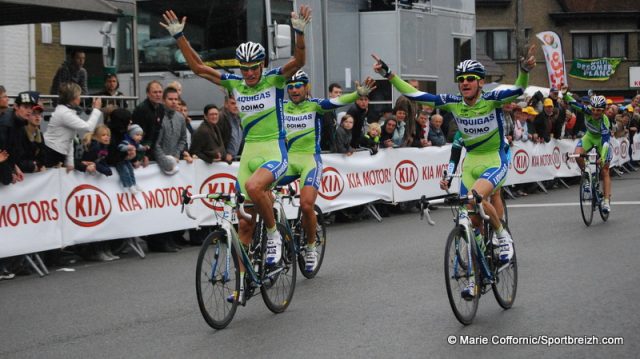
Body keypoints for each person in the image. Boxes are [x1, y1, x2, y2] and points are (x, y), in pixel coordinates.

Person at [161, 6, 311, 301]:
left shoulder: (274, 80)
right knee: (242, 223)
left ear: (262, 64)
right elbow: (199, 68)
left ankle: (273, 235)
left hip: (274, 150)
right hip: (249, 153)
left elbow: (299, 60)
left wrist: (299, 32)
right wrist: (180, 36)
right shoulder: (235, 83)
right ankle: (242, 285)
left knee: (256, 187)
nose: (250, 72)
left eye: (254, 66)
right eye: (245, 67)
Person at [373, 47, 536, 299]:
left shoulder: (492, 99)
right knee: (468, 221)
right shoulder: (453, 103)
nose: (465, 83)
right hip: (470, 165)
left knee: (475, 198)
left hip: (495, 161)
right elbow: (414, 93)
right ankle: (473, 277)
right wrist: (389, 73)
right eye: (461, 80)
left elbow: (517, 90)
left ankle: (502, 236)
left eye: (470, 79)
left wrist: (524, 71)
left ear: (480, 82)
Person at [278, 71, 374, 271]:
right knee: (258, 190)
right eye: (291, 86)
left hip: (310, 161)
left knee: (306, 205)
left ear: (307, 88)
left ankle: (311, 247)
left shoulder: (316, 105)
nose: (294, 90)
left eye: (299, 86)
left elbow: (338, 102)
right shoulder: (283, 107)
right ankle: (273, 234)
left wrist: (357, 96)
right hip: (288, 161)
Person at [563, 90, 613, 213]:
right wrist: (564, 94)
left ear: (603, 110)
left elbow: (606, 142)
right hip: (589, 137)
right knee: (578, 154)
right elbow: (573, 103)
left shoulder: (604, 121)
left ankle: (606, 201)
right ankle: (586, 177)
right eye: (594, 110)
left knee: (605, 169)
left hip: (601, 140)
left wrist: (602, 156)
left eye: (599, 111)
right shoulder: (587, 110)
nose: (595, 113)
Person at [43, 83, 102, 170]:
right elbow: (89, 127)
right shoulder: (65, 113)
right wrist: (96, 109)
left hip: (57, 151)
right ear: (72, 98)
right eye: (78, 95)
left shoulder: (67, 111)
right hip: (51, 151)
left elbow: (70, 138)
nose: (80, 98)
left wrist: (70, 162)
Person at [0, 91, 39, 185]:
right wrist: (9, 174)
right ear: (16, 107)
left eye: (31, 108)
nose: (29, 111)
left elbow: (13, 152)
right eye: (25, 107)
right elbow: (2, 154)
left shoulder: (20, 122)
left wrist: (15, 168)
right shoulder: (6, 125)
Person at [154, 87, 192, 175]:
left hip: (175, 161)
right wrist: (165, 161)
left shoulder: (181, 118)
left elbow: (183, 138)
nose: (174, 102)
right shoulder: (157, 116)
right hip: (157, 165)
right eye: (170, 99)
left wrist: (177, 154)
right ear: (163, 100)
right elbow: (155, 143)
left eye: (176, 99)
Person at [132, 80, 164, 165]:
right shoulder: (141, 109)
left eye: (160, 92)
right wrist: (143, 155)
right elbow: (136, 134)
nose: (158, 95)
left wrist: (149, 154)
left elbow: (156, 132)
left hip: (151, 145)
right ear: (148, 94)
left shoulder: (161, 108)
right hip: (140, 146)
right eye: (155, 92)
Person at [16, 104, 47, 174]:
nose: (37, 116)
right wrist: (33, 166)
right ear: (27, 116)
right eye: (33, 113)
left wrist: (40, 165)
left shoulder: (39, 134)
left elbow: (43, 157)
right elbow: (17, 159)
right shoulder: (20, 133)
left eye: (39, 114)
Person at [117, 124, 146, 193]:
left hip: (127, 160)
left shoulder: (134, 142)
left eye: (140, 135)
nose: (139, 137)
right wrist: (128, 147)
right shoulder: (126, 141)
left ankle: (134, 184)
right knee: (126, 172)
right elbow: (120, 147)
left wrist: (144, 148)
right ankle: (130, 186)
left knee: (131, 171)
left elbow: (138, 147)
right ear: (132, 134)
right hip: (121, 160)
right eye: (137, 135)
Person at [320, 83, 343, 152]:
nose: (338, 94)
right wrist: (333, 145)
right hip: (324, 147)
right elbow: (329, 130)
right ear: (330, 94)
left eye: (340, 92)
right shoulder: (327, 109)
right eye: (336, 92)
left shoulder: (333, 109)